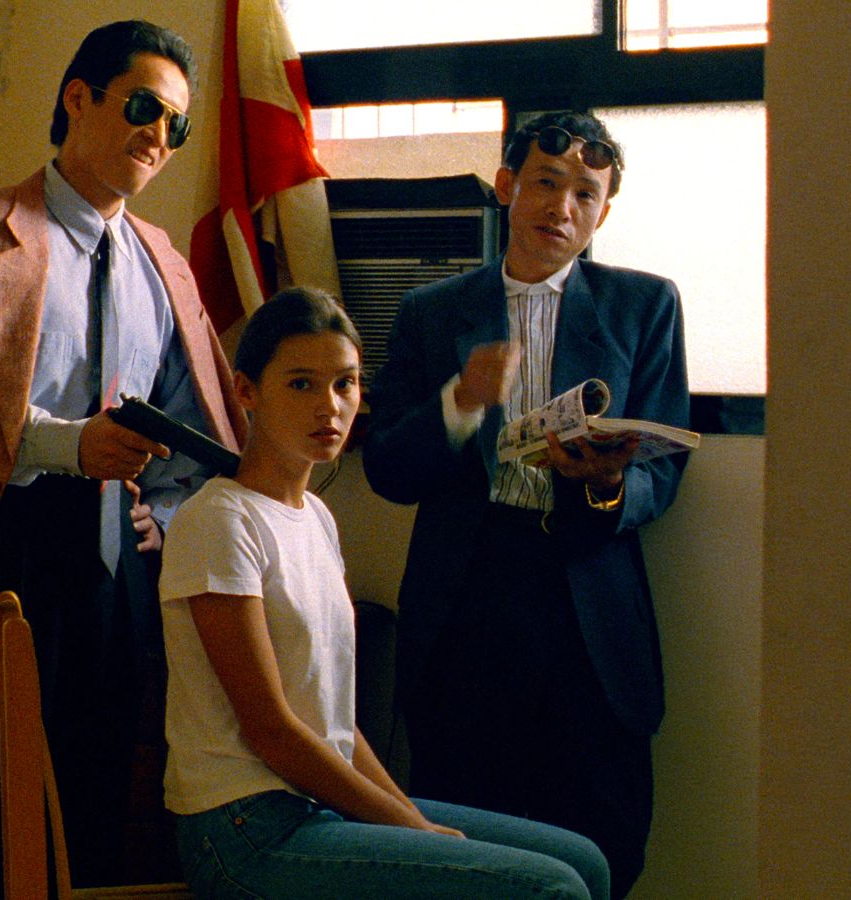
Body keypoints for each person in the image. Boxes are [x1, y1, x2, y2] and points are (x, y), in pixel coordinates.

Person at [0, 20, 246, 896]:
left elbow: (198, 428)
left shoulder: (163, 265)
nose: (160, 135)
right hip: (4, 554)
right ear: (79, 98)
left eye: (177, 124)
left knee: (98, 805)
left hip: (121, 573)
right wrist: (73, 446)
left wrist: (164, 514)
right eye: (143, 107)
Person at [158, 286, 612, 900]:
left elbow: (335, 726)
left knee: (585, 861)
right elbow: (272, 732)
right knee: (552, 888)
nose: (329, 406)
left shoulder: (317, 518)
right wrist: (413, 828)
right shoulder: (220, 520)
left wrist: (409, 817)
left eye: (345, 384)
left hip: (318, 804)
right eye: (301, 384)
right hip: (245, 829)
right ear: (246, 391)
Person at [360, 110, 690, 898]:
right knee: (469, 836)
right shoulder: (432, 312)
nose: (561, 207)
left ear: (604, 210)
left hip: (588, 595)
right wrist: (461, 402)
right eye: (545, 182)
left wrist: (606, 484)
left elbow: (667, 467)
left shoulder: (645, 306)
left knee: (607, 839)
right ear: (508, 185)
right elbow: (388, 471)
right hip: (470, 597)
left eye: (585, 193)